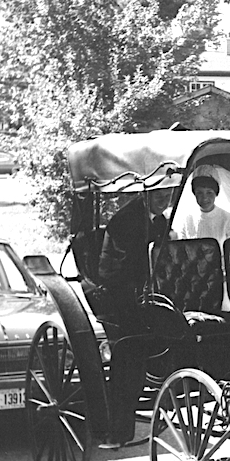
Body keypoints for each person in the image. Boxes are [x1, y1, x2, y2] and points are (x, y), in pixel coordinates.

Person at [96, 187, 174, 447]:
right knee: (129, 357)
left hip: (149, 292)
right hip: (120, 294)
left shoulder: (161, 221)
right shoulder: (125, 220)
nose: (165, 199)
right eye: (160, 193)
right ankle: (117, 431)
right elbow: (121, 267)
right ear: (146, 193)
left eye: (169, 193)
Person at [175, 174, 230, 248]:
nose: (205, 198)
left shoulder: (229, 219)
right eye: (199, 193)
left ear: (216, 194)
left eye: (209, 193)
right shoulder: (187, 219)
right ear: (194, 194)